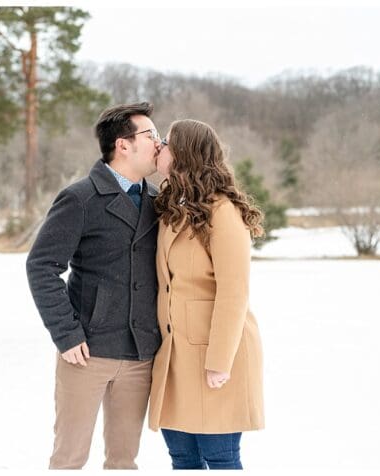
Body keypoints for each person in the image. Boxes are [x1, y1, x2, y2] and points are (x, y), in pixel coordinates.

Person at [26, 102, 163, 469]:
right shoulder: (80, 198)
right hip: (87, 352)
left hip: (139, 354)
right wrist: (66, 334)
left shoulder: (158, 202)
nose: (159, 144)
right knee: (69, 458)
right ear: (124, 145)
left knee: (123, 461)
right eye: (151, 136)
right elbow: (42, 266)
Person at [147, 119, 265, 469]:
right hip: (174, 357)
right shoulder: (171, 208)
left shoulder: (223, 212)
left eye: (165, 141)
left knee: (220, 458)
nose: (158, 146)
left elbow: (234, 292)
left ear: (184, 153)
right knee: (183, 458)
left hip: (214, 358)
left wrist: (219, 362)